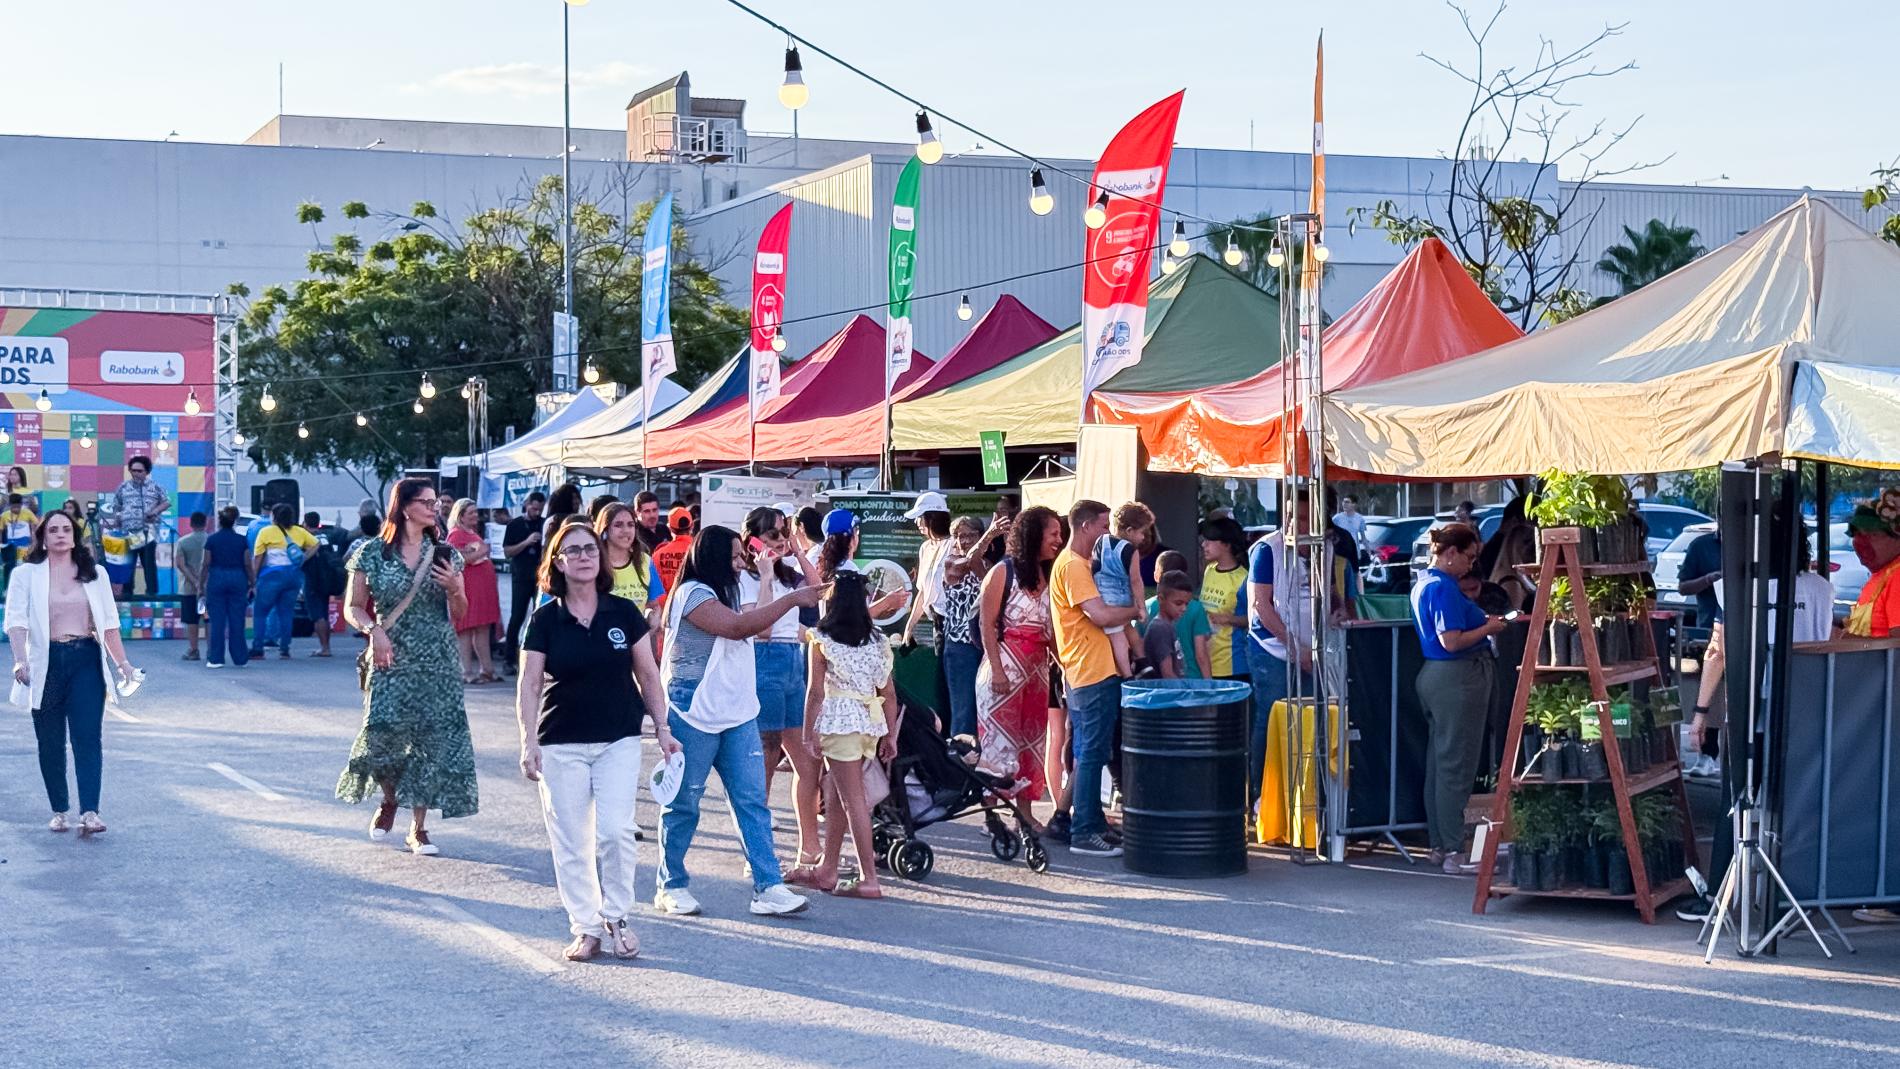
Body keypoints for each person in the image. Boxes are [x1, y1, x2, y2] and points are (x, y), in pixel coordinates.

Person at [516, 518, 679, 962]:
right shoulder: (546, 619)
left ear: (601, 558)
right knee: (571, 839)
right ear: (559, 562)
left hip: (618, 737)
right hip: (560, 741)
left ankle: (618, 915)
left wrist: (664, 729)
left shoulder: (623, 613)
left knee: (615, 832)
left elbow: (647, 674)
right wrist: (527, 742)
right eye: (574, 551)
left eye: (590, 549)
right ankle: (586, 927)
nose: (584, 557)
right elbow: (530, 683)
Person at [653, 525, 827, 917]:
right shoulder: (692, 593)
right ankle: (671, 885)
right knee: (684, 803)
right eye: (732, 557)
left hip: (737, 713)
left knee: (752, 802)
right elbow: (737, 628)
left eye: (740, 556)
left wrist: (778, 583)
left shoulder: (736, 587)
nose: (738, 564)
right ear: (712, 557)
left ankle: (768, 886)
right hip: (692, 713)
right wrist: (792, 600)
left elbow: (761, 626)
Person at [337, 478, 478, 856]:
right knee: (380, 733)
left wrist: (454, 588)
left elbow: (461, 614)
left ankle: (419, 829)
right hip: (389, 656)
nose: (435, 508)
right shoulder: (372, 553)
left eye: (436, 503)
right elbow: (352, 606)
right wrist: (373, 630)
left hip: (437, 659)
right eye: (427, 502)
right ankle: (389, 799)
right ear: (404, 507)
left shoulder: (446, 553)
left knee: (430, 742)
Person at [8, 511, 139, 836]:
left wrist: (123, 664)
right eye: (53, 530)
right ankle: (59, 810)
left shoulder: (95, 574)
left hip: (85, 660)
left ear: (75, 535)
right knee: (50, 742)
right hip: (45, 664)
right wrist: (20, 661)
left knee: (87, 738)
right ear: (43, 536)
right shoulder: (25, 575)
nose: (61, 535)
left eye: (67, 529)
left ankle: (90, 812)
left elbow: (109, 624)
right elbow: (16, 622)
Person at [1411, 523, 1508, 875]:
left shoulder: (1425, 583)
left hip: (1436, 675)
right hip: (1458, 677)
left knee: (1440, 764)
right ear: (1450, 553)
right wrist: (1489, 628)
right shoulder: (1445, 588)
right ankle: (1454, 850)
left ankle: (1441, 844)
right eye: (1468, 557)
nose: (1471, 564)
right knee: (1457, 765)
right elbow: (1452, 640)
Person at [1048, 500, 1142, 857]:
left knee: (1094, 749)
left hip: (1091, 669)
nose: (1107, 533)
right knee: (1089, 752)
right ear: (1086, 526)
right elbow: (1100, 615)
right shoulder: (1073, 566)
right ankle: (1084, 830)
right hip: (1090, 670)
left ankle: (1092, 823)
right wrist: (1135, 609)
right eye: (1104, 526)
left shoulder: (1082, 564)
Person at [801, 570, 899, 898]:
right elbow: (889, 692)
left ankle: (868, 878)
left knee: (851, 799)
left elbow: (815, 692)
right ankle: (828, 869)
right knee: (837, 790)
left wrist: (807, 733)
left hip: (839, 720)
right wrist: (890, 736)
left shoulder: (822, 640)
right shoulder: (877, 642)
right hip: (868, 720)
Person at [737, 507, 818, 840]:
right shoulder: (745, 577)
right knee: (767, 752)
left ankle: (809, 842)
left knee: (808, 757)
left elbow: (818, 591)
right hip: (764, 658)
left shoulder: (790, 573)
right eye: (773, 535)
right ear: (753, 540)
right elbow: (763, 629)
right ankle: (757, 827)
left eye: (784, 532)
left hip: (792, 661)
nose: (781, 540)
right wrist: (766, 575)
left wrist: (796, 549)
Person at [974, 505, 1059, 803]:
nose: (1059, 540)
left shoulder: (1048, 575)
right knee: (997, 745)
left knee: (1032, 745)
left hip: (1037, 673)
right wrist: (997, 670)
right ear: (1034, 534)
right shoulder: (1002, 571)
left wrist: (1063, 668)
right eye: (1053, 533)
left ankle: (1026, 815)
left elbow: (1051, 632)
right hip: (1004, 672)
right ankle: (991, 814)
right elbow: (987, 623)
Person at [939, 513, 1011, 739]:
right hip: (960, 647)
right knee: (963, 709)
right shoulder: (951, 562)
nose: (965, 540)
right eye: (959, 536)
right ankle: (960, 758)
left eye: (970, 535)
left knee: (984, 706)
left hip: (984, 644)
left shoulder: (988, 565)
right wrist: (989, 534)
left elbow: (978, 566)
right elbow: (967, 563)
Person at [1678, 526, 1724, 778]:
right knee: (1709, 693)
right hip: (1709, 626)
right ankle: (1707, 754)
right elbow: (1683, 587)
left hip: (1751, 627)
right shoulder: (1701, 546)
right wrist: (1708, 579)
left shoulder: (1755, 542)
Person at [1095, 502, 1154, 678]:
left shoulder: (1101, 540)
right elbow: (1136, 581)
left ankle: (1132, 668)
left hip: (1103, 596)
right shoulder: (1131, 551)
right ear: (1129, 531)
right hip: (1121, 596)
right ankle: (1133, 668)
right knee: (1122, 631)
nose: (1144, 537)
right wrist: (1141, 606)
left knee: (1119, 631)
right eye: (1142, 532)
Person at [250, 503, 316, 660]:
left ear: (274, 516)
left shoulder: (265, 532)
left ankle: (258, 648)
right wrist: (304, 558)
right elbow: (315, 544)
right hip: (293, 576)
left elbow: (258, 558)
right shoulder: (299, 532)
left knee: (260, 612)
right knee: (286, 613)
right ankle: (285, 649)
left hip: (271, 576)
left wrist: (253, 580)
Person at [446, 498, 501, 684]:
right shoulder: (455, 534)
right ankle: (466, 671)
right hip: (469, 587)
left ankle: (487, 669)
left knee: (483, 628)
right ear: (461, 515)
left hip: (482, 587)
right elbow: (457, 559)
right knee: (466, 629)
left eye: (476, 512)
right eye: (471, 513)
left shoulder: (471, 533)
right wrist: (482, 551)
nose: (476, 516)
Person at [106, 455, 169, 596]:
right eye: (133, 470)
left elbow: (166, 502)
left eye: (139, 471)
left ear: (147, 472)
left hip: (148, 532)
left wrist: (155, 511)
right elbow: (116, 506)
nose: (136, 473)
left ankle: (152, 594)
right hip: (128, 533)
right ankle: (128, 593)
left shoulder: (155, 486)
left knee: (149, 564)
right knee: (128, 565)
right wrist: (118, 518)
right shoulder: (123, 487)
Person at [1198, 517, 1251, 682]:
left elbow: (1255, 619)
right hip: (1205, 659)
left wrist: (1228, 618)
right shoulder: (1209, 570)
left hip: (1232, 663)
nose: (1203, 545)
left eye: (1209, 541)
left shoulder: (1244, 578)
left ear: (1227, 545)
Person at [900, 492, 954, 650]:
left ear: (932, 518)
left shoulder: (953, 545)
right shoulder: (925, 548)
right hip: (937, 621)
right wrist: (909, 627)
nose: (917, 522)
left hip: (955, 621)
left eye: (920, 517)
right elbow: (923, 592)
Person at [202, 506, 253, 669]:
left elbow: (206, 563)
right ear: (234, 521)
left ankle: (216, 658)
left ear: (220, 521)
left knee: (217, 620)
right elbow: (247, 563)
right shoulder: (241, 540)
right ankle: (240, 658)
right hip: (238, 577)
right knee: (237, 619)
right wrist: (253, 581)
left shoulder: (211, 539)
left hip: (217, 577)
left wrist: (200, 584)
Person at [1845, 494, 1900, 639]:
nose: (1861, 543)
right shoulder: (1882, 575)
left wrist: (1850, 641)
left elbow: (1896, 651)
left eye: (1872, 534)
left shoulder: (1898, 577)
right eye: (1857, 534)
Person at [595, 502, 665, 613]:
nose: (626, 530)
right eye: (618, 525)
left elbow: (654, 605)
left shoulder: (645, 561)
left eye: (630, 525)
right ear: (605, 530)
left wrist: (652, 617)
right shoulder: (592, 563)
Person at [502, 491, 546, 662]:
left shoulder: (543, 523)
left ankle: (535, 655)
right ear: (527, 505)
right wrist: (527, 542)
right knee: (517, 616)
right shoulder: (515, 525)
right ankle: (509, 658)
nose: (536, 513)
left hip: (539, 577)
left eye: (539, 510)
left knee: (540, 615)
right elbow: (507, 552)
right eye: (534, 509)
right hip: (521, 576)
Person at [1145, 571, 1213, 680]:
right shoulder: (1160, 629)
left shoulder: (1168, 625)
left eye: (1187, 604)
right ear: (1161, 599)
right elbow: (1167, 674)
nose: (1184, 609)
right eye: (1178, 603)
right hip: (1169, 693)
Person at [299, 510, 345, 658]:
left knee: (317, 615)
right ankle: (326, 646)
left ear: (305, 523)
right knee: (324, 613)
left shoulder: (306, 538)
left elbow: (301, 558)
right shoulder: (326, 536)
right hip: (327, 579)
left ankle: (325, 648)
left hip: (313, 579)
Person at [175, 511, 208, 660]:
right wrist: (202, 581)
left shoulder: (183, 542)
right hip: (208, 586)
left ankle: (194, 649)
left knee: (191, 620)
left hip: (188, 588)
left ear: (191, 524)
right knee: (208, 618)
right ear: (205, 523)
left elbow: (181, 565)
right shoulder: (210, 540)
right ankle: (211, 649)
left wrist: (194, 581)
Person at [651, 507, 695, 603]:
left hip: (666, 610)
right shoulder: (699, 551)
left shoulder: (658, 554)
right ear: (692, 526)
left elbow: (654, 588)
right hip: (694, 608)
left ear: (669, 527)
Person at [2, 492, 38, 584]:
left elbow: (36, 524)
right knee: (10, 566)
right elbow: (1, 529)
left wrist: (33, 540)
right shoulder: (4, 515)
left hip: (24, 543)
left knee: (22, 565)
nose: (16, 509)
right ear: (9, 505)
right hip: (10, 544)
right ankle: (9, 585)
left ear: (21, 505)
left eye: (18, 507)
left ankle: (24, 584)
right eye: (13, 507)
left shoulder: (27, 513)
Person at [1333, 494, 1370, 562]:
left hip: (1354, 554)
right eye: (1343, 502)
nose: (1344, 504)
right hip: (1340, 555)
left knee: (1354, 572)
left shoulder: (1360, 518)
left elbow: (1363, 539)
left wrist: (1369, 553)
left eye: (1347, 502)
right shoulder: (1336, 518)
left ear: (1354, 504)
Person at [633, 490, 668, 555]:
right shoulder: (633, 534)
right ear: (637, 512)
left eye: (654, 510)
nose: (652, 515)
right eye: (647, 511)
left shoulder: (664, 529)